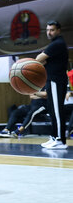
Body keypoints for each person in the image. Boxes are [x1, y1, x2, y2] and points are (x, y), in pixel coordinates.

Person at [37, 21, 68, 149]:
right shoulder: (54, 44)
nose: (49, 32)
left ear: (58, 30)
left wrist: (43, 57)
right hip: (52, 80)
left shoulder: (58, 44)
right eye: (48, 30)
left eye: (52, 30)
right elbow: (43, 62)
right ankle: (54, 137)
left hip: (56, 81)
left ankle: (60, 140)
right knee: (52, 111)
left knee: (57, 111)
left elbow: (39, 59)